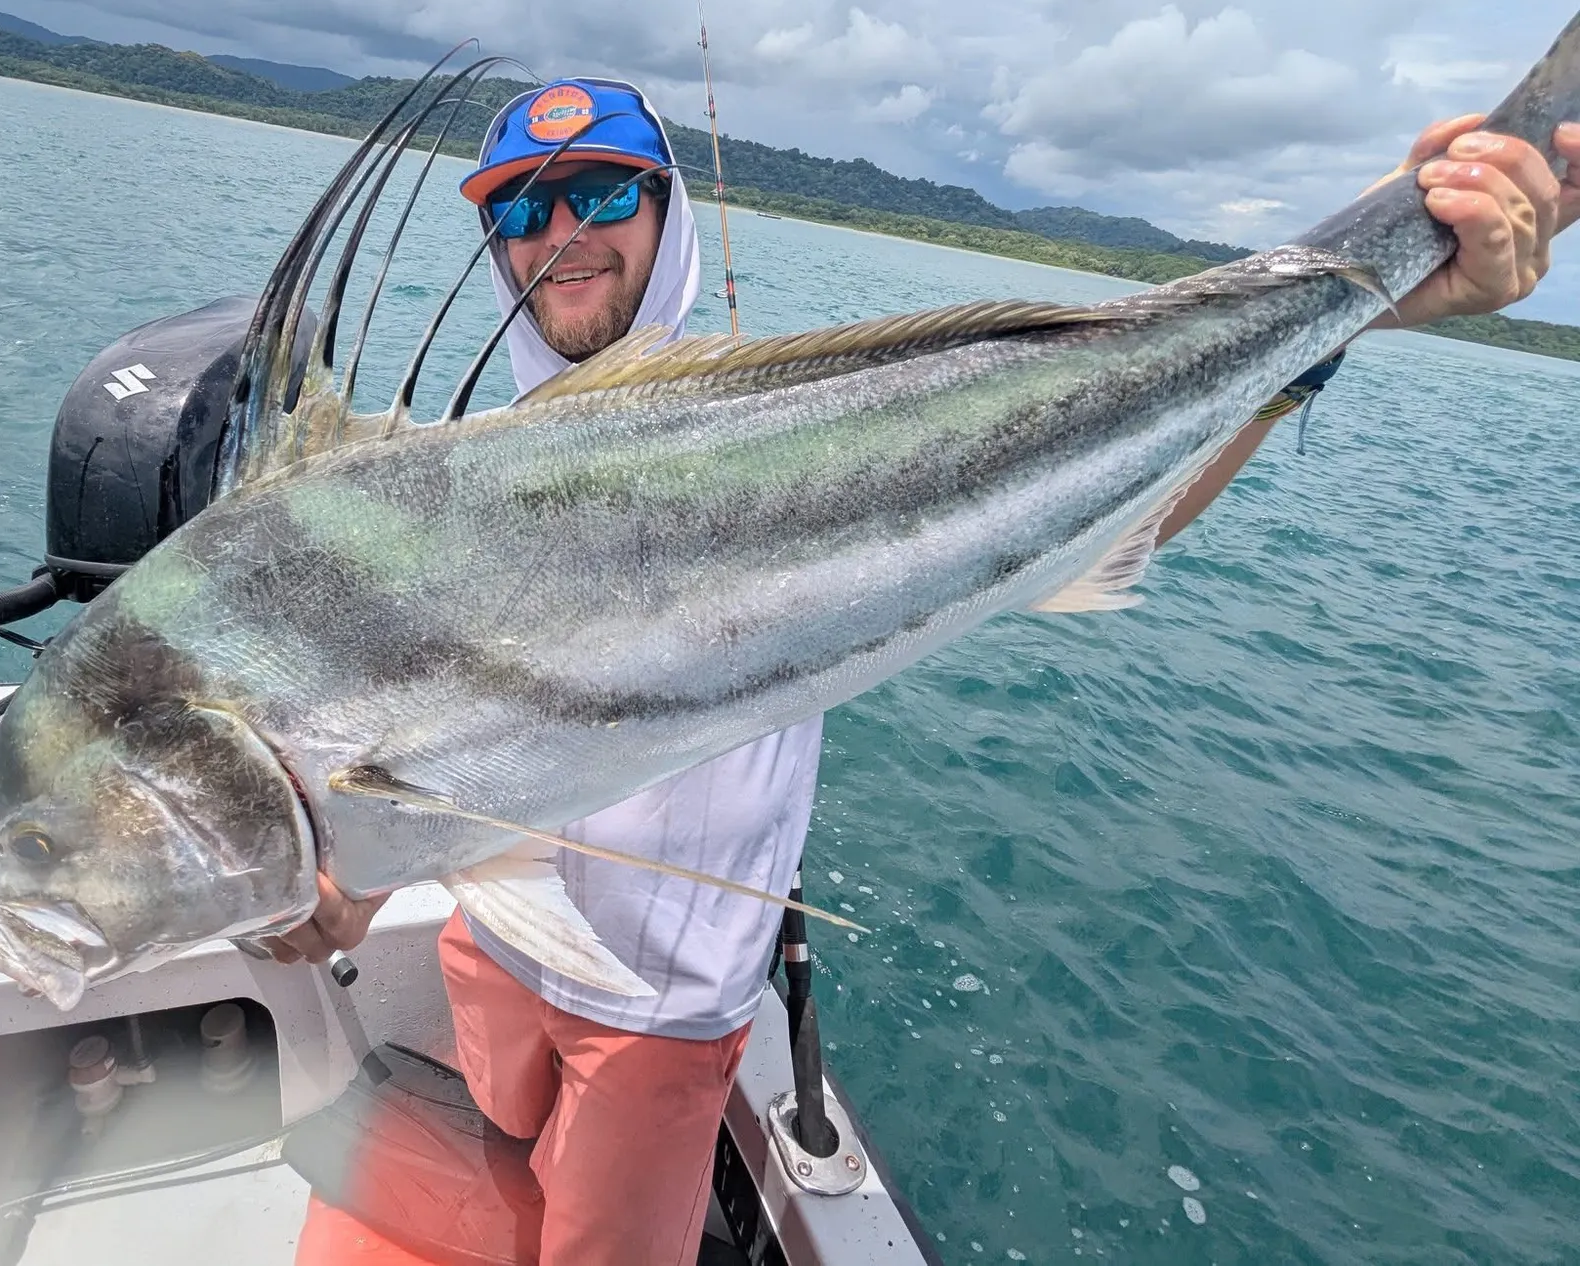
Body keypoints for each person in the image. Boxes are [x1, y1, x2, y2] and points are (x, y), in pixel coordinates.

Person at [283, 78, 1580, 1265]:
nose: (560, 229)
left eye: (605, 191)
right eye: (522, 205)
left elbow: (1084, 516)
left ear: (668, 215)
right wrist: (334, 870)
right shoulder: (439, 495)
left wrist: (1345, 309)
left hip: (663, 1011)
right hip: (495, 945)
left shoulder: (794, 438)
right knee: (477, 1169)